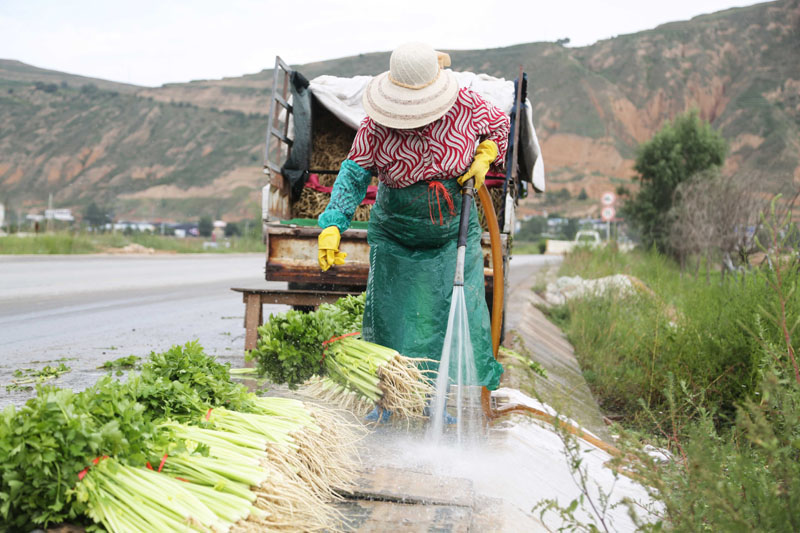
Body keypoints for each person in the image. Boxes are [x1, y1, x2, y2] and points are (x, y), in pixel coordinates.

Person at [317, 42, 507, 420]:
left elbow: (499, 128)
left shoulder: (466, 105)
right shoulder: (377, 121)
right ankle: (388, 400)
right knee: (389, 315)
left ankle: (435, 401)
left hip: (451, 229)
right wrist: (333, 223)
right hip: (395, 231)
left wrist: (486, 154)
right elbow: (354, 173)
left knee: (448, 313)